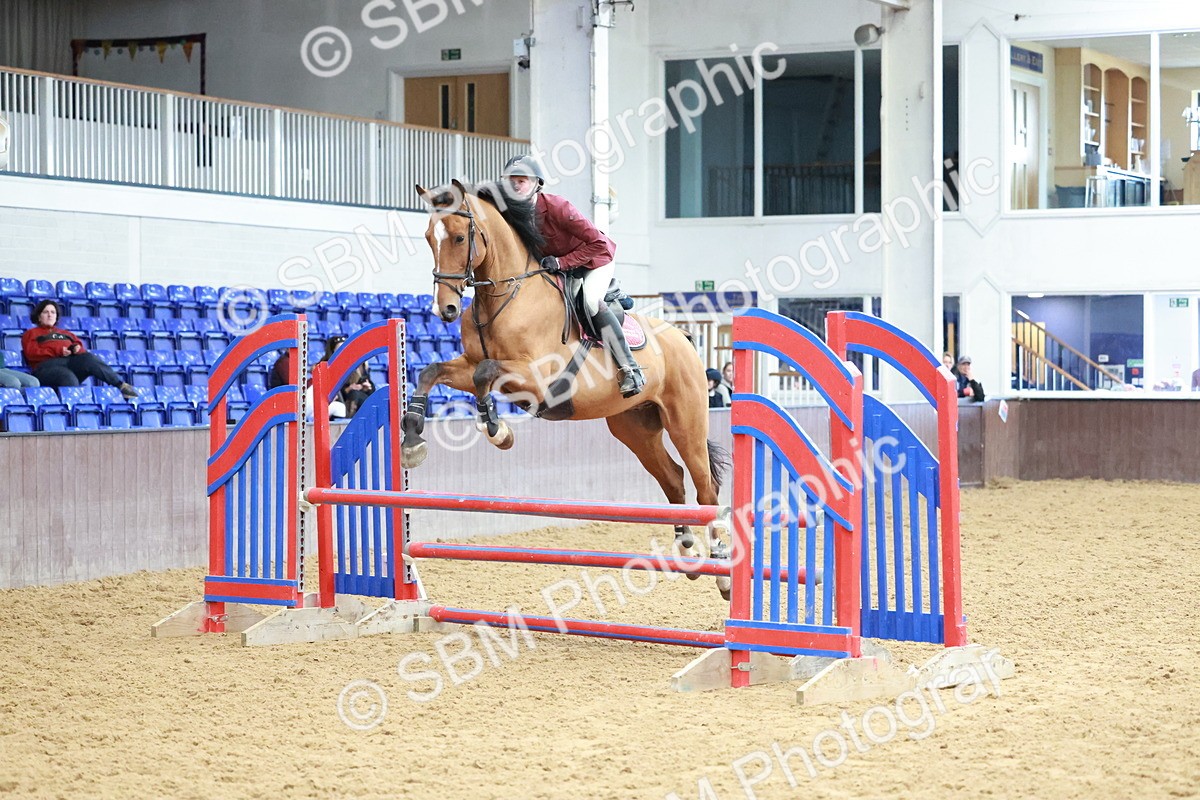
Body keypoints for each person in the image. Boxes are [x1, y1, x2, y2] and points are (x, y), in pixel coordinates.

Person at [499, 154, 644, 398]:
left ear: (537, 184)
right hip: (555, 268)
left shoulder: (557, 206)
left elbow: (598, 243)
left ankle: (631, 369)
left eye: (521, 180)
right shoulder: (510, 214)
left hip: (594, 260)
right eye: (510, 180)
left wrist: (562, 262)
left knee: (589, 301)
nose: (515, 185)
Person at [22, 300, 137, 398]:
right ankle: (72, 408)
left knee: (88, 359)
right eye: (45, 312)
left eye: (53, 312)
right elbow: (31, 353)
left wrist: (76, 349)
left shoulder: (66, 333)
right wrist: (58, 351)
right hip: (45, 368)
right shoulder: (31, 333)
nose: (50, 315)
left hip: (70, 361)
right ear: (39, 316)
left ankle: (120, 385)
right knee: (67, 376)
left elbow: (80, 347)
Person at [325, 336, 373, 417]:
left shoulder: (360, 365)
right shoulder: (329, 365)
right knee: (354, 394)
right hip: (341, 399)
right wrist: (349, 389)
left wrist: (367, 387)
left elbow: (370, 386)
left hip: (359, 397)